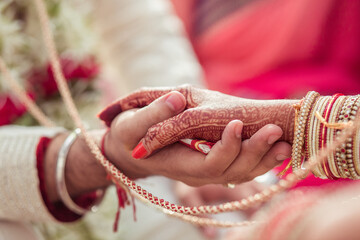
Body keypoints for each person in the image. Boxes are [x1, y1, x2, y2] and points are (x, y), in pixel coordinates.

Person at [0, 90, 291, 239]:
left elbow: (143, 36)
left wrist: (194, 129)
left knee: (239, 220)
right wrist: (102, 155)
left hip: (124, 159)